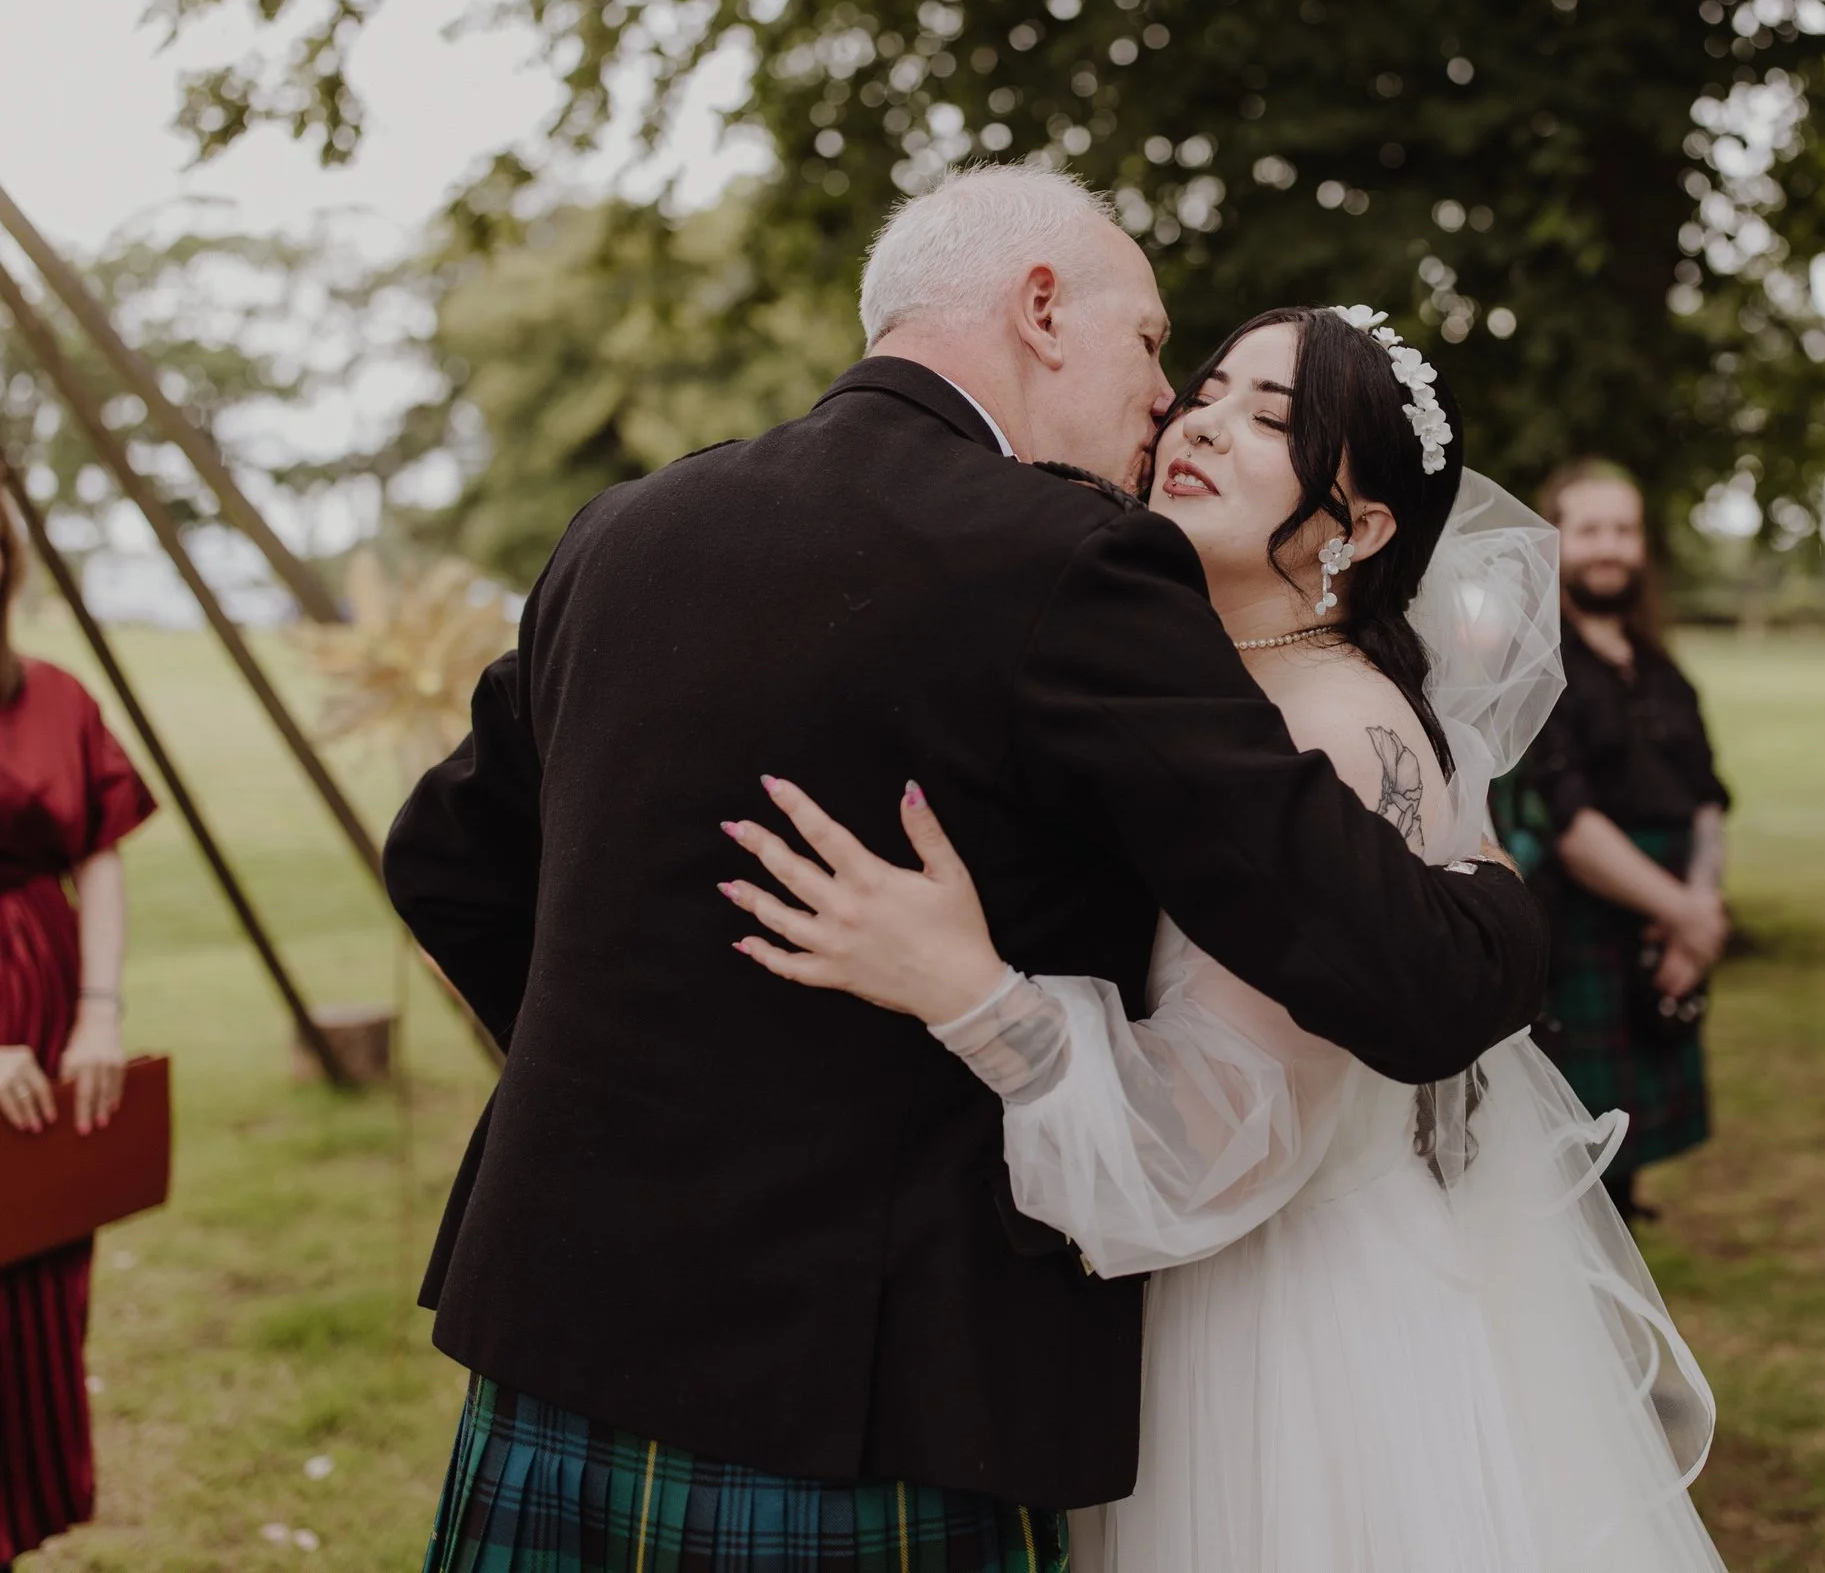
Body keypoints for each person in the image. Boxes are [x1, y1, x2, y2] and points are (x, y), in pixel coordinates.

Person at [384, 165, 1551, 1572]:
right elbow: (1413, 984)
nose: (1164, 398)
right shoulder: (1071, 565)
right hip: (859, 1399)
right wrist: (1490, 881)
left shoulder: (626, 527)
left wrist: (648, 1080)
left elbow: (443, 857)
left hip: (549, 1344)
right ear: (1043, 310)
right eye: (1153, 344)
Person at [724, 306, 1723, 1573]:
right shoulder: (1208, 684)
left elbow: (1221, 1139)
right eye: (1207, 389)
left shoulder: (1335, 732)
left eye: (1272, 420)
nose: (1200, 420)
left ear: (1359, 532)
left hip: (1289, 1326)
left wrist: (973, 992)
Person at [0, 504, 155, 1571]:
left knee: (38, 1279)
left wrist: (98, 1010)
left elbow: (97, 853)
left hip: (50, 1023)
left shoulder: (56, 695)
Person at [1515, 460, 1730, 1218]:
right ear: (1557, 542)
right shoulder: (1536, 667)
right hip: (1581, 916)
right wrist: (1688, 914)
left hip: (1667, 906)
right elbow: (1569, 822)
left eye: (1625, 529)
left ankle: (1624, 1210)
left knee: (1631, 1118)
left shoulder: (1663, 668)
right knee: (1576, 1130)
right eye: (1592, 529)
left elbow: (1707, 798)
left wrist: (1697, 911)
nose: (1610, 546)